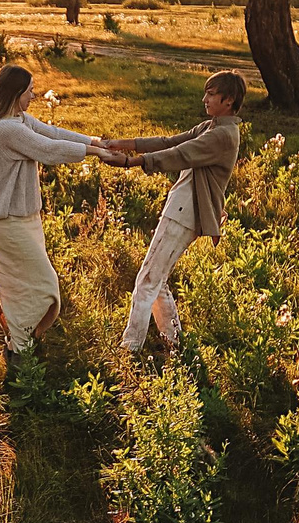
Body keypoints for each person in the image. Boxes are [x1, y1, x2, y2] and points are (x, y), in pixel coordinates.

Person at [100, 70, 247, 355]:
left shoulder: (223, 135)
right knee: (157, 279)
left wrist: (131, 163)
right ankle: (174, 342)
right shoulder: (211, 126)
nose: (205, 99)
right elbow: (169, 142)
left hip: (185, 213)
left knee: (147, 280)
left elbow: (179, 154)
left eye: (211, 94)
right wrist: (122, 144)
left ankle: (130, 349)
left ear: (228, 100)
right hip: (181, 209)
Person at [0, 63, 109, 355]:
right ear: (15, 93)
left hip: (26, 218)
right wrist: (96, 152)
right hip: (8, 221)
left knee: (24, 285)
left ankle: (19, 345)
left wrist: (94, 141)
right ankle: (20, 349)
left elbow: (51, 133)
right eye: (30, 91)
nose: (33, 96)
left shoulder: (19, 119)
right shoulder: (6, 129)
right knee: (44, 286)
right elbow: (48, 149)